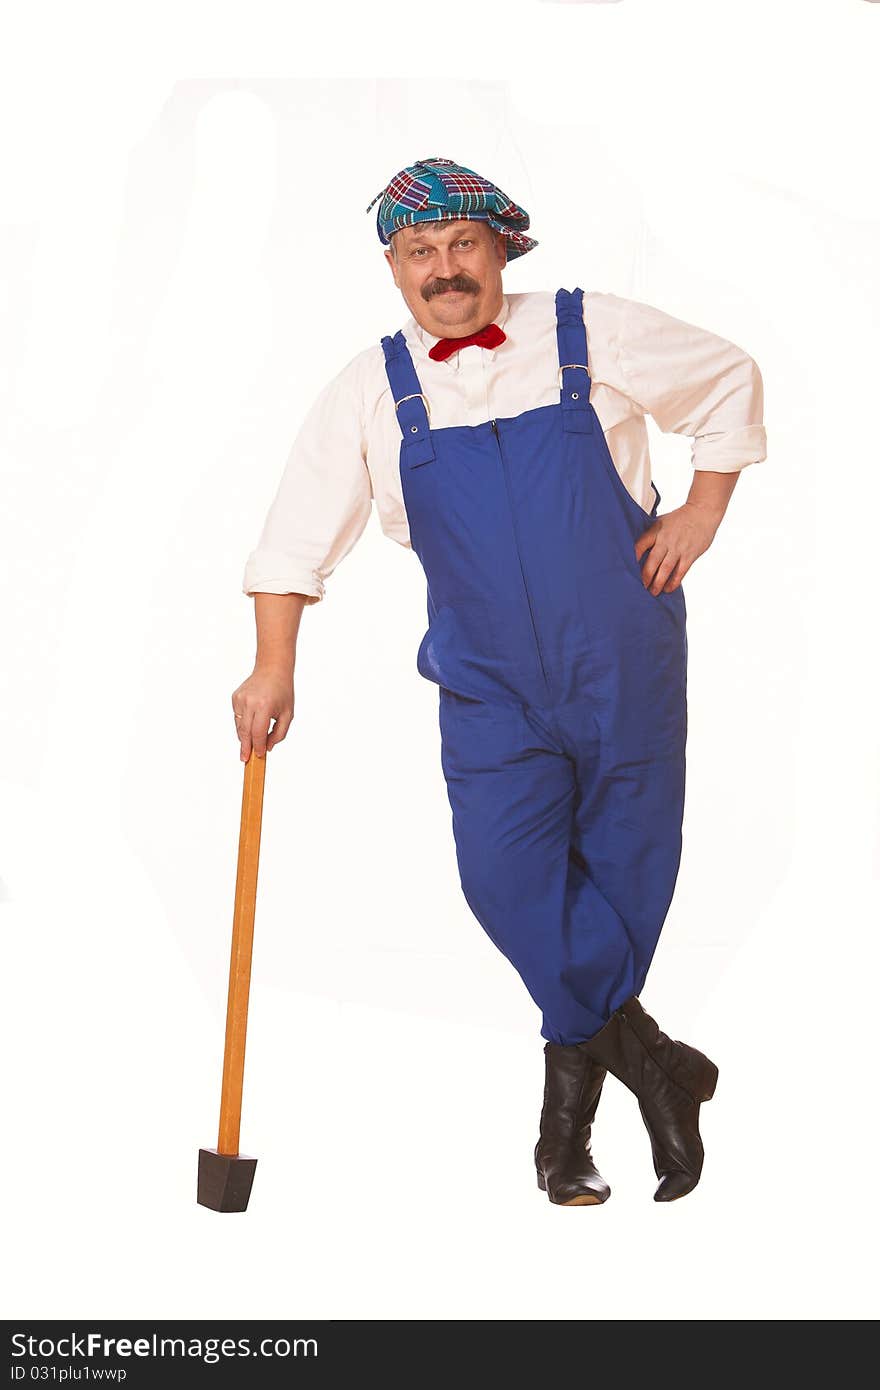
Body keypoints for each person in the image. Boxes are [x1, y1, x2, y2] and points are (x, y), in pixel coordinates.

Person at [233, 156, 767, 1205]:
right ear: (393, 267)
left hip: (624, 662)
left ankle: (561, 1137)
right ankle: (658, 1064)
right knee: (505, 880)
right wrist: (271, 664)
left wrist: (703, 510)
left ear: (500, 250)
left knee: (624, 883)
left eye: (462, 246)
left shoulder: (587, 329)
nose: (444, 269)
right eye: (419, 252)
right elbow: (294, 539)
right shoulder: (369, 388)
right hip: (489, 685)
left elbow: (728, 378)